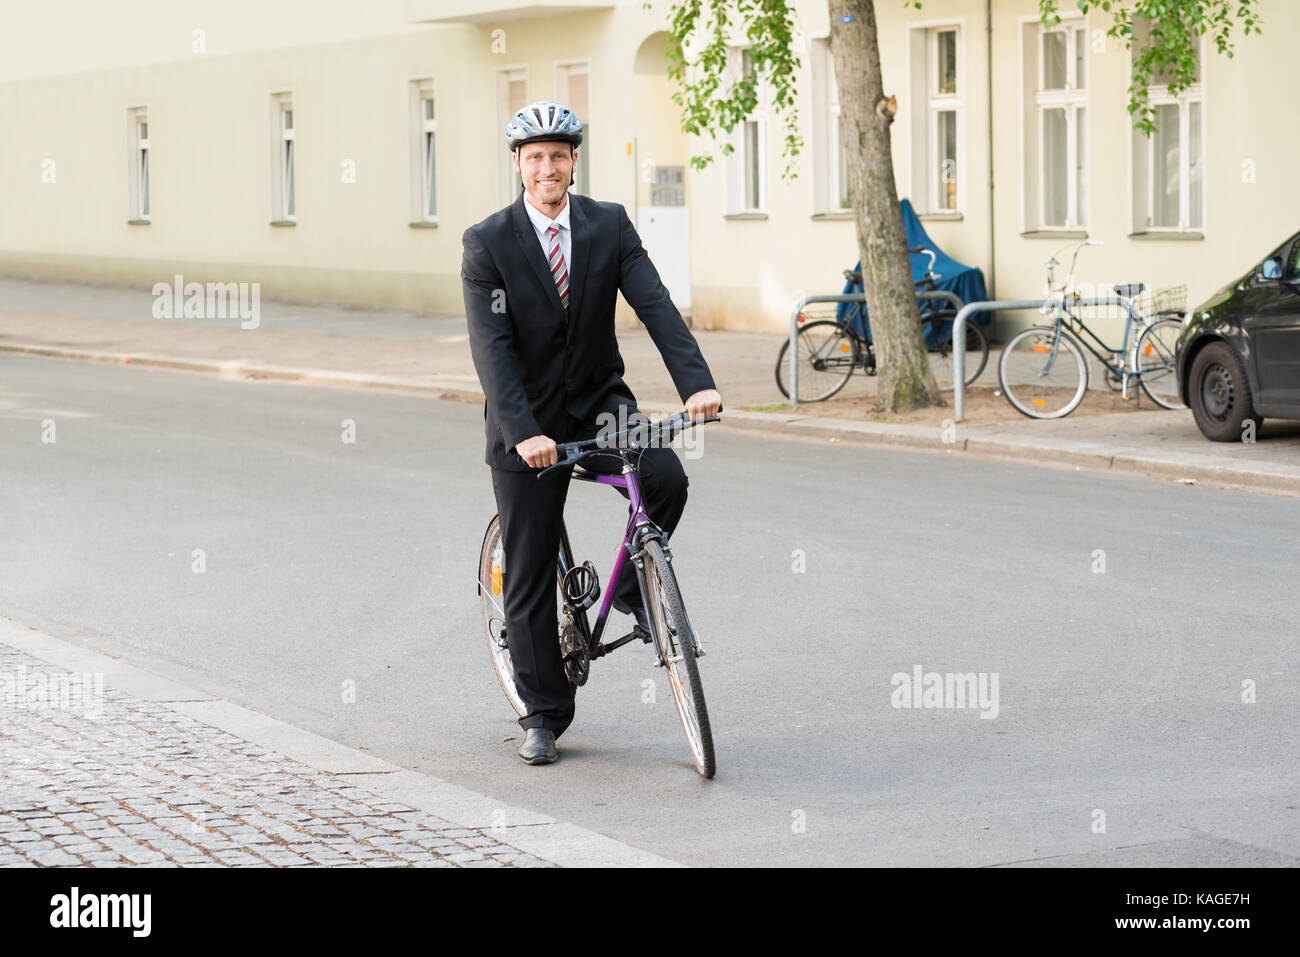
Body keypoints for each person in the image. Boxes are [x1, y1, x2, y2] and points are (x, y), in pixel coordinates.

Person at [462, 101, 722, 766]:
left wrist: (696, 382)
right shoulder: (487, 242)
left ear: (574, 161)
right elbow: (491, 349)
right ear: (518, 164)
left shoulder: (607, 226)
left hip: (600, 405)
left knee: (665, 477)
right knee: (528, 565)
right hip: (528, 422)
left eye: (558, 155)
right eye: (535, 157)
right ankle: (544, 713)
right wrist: (522, 431)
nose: (547, 167)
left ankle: (636, 588)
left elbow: (655, 303)